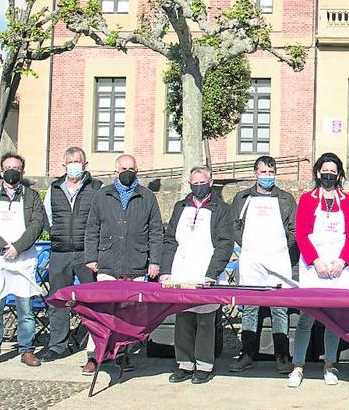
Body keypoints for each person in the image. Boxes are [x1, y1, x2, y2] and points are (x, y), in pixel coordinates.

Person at [82, 154, 163, 374]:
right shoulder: (102, 194)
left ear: (137, 171)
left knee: (129, 315)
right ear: (115, 171)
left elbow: (156, 231)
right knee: (102, 312)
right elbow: (92, 228)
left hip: (136, 262)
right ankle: (95, 355)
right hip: (107, 262)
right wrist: (91, 257)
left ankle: (123, 355)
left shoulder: (146, 196)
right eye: (123, 168)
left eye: (132, 168)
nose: (128, 171)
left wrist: (154, 261)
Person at [288, 152, 349, 388]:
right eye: (325, 171)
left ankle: (330, 365)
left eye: (333, 171)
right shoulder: (307, 199)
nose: (329, 175)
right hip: (313, 268)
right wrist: (316, 261)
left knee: (333, 320)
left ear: (339, 174)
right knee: (306, 320)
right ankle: (298, 366)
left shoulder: (347, 201)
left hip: (340, 268)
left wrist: (342, 262)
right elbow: (301, 234)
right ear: (318, 173)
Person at [161, 166, 234, 385]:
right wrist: (165, 270)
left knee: (205, 321)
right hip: (181, 270)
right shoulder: (180, 206)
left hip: (205, 272)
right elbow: (170, 240)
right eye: (195, 183)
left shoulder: (221, 209)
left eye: (202, 182)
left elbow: (225, 243)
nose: (198, 187)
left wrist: (213, 272)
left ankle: (204, 365)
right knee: (183, 319)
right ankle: (183, 363)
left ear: (210, 183)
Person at [0, 152, 46, 368]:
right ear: (1, 171)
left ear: (22, 172)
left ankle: (27, 350)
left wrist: (17, 247)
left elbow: (37, 223)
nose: (11, 171)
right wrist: (2, 246)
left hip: (22, 260)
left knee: (26, 310)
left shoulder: (32, 196)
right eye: (7, 168)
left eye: (16, 167)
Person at [229, 156, 298, 374]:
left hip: (278, 260)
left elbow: (293, 230)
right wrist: (251, 247)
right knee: (250, 308)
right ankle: (247, 354)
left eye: (271, 172)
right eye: (263, 172)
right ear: (255, 173)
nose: (267, 176)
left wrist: (278, 247)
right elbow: (235, 227)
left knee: (280, 310)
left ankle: (282, 356)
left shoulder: (286, 199)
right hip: (251, 260)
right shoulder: (242, 198)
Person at [39, 146, 102, 363]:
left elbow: (101, 218)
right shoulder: (54, 187)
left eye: (78, 161)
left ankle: (95, 347)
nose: (74, 165)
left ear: (85, 165)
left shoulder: (97, 188)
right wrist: (56, 234)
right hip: (61, 252)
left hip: (87, 253)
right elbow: (46, 216)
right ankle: (58, 345)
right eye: (71, 161)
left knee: (93, 300)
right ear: (64, 165)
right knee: (58, 300)